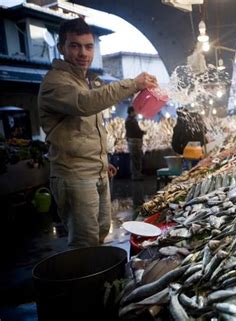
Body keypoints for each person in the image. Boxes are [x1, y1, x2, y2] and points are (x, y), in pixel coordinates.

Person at [38, 18, 157, 248]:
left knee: (101, 231)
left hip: (97, 172)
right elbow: (85, 104)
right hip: (75, 175)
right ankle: (86, 283)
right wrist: (133, 84)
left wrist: (103, 161)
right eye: (75, 45)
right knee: (85, 241)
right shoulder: (56, 83)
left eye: (89, 46)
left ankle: (99, 280)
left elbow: (84, 130)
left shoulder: (84, 81)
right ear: (61, 47)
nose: (83, 53)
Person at [125, 106, 145, 180]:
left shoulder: (131, 120)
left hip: (134, 141)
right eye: (134, 111)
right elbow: (135, 132)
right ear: (131, 112)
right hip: (134, 142)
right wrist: (142, 132)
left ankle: (137, 174)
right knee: (135, 159)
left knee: (136, 158)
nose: (136, 113)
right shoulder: (131, 121)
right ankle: (136, 175)